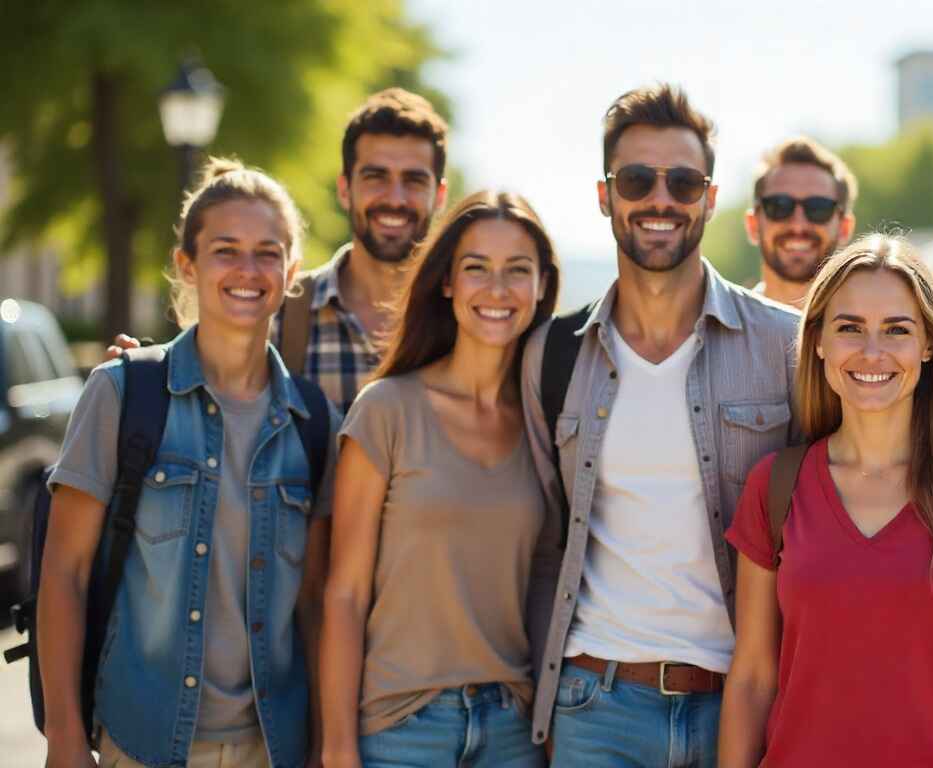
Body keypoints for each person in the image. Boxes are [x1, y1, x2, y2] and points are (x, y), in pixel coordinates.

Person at [520, 83, 933, 767]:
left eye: (683, 180)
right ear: (606, 194)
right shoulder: (559, 355)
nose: (870, 352)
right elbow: (538, 530)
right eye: (636, 179)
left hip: (744, 701)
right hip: (602, 707)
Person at [38, 159, 339, 768]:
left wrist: (324, 743)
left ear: (292, 271)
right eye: (226, 250)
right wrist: (66, 740)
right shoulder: (122, 395)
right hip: (141, 740)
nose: (248, 271)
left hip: (271, 747)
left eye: (268, 252)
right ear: (187, 264)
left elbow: (313, 603)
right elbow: (63, 576)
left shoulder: (315, 421)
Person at [720, 234, 933, 767]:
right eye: (849, 327)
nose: (872, 352)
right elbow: (753, 677)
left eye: (897, 330)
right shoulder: (775, 486)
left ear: (929, 344)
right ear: (819, 342)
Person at [319, 190, 559, 768]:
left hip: (511, 730)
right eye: (476, 268)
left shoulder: (548, 422)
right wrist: (337, 749)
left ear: (543, 286)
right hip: (400, 729)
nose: (497, 290)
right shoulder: (387, 409)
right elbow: (345, 595)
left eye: (517, 271)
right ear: (447, 282)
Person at [109, 88, 450, 413]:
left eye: (414, 180)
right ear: (345, 189)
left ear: (440, 195)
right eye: (376, 176)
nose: (394, 198)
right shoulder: (272, 310)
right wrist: (141, 378)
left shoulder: (462, 321)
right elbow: (194, 395)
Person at [745, 136, 856, 306]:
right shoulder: (716, 330)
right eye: (779, 206)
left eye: (818, 208)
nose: (798, 225)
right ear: (753, 225)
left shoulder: (873, 329)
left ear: (844, 228)